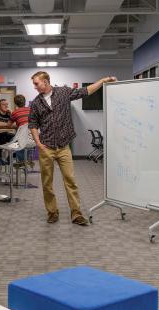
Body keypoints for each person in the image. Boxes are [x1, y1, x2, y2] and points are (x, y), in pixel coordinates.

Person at [29, 71, 116, 225]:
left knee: (70, 180)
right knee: (47, 183)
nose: (34, 87)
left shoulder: (63, 92)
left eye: (36, 83)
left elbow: (85, 91)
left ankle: (76, 214)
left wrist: (102, 80)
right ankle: (52, 212)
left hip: (64, 146)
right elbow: (33, 124)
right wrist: (38, 142)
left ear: (46, 81)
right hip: (46, 147)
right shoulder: (36, 103)